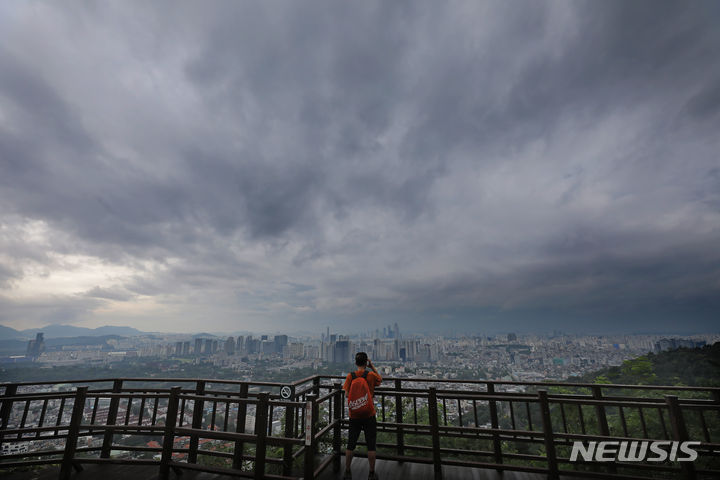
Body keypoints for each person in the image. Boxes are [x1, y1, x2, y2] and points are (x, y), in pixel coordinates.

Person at [342, 352, 382, 480]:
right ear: (366, 363)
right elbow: (380, 380)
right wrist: (372, 366)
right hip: (369, 413)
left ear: (355, 363)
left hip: (354, 414)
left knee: (351, 443)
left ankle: (347, 470)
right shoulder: (370, 375)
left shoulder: (350, 376)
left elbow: (347, 394)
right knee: (371, 444)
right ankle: (371, 472)